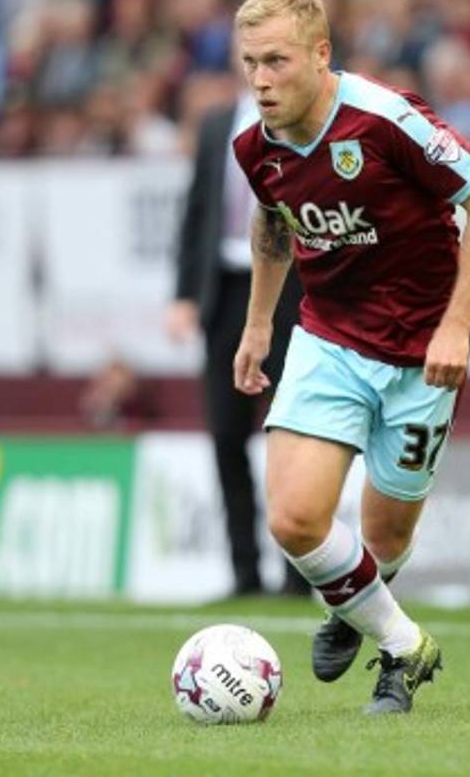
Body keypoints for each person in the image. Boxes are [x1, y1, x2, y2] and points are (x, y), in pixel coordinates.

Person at [231, 0, 470, 714]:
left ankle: (355, 603)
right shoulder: (254, 147)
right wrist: (259, 325)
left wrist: (456, 325)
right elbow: (274, 221)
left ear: (320, 54)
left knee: (383, 537)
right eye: (250, 63)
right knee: (294, 518)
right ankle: (403, 647)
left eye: (276, 61)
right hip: (329, 336)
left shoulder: (387, 120)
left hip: (423, 354)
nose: (261, 81)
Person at [166, 91, 307, 597]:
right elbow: (197, 209)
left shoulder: (305, 114)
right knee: (226, 434)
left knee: (291, 431)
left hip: (291, 290)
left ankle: (297, 576)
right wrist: (184, 294)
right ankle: (244, 573)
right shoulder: (215, 124)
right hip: (224, 293)